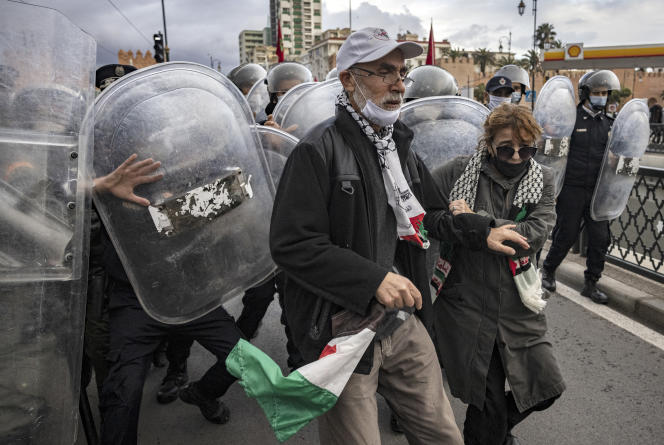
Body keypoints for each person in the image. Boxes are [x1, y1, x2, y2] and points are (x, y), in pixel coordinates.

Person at [270, 27, 528, 445]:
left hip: (403, 321)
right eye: (383, 72)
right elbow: (291, 245)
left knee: (443, 434)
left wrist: (482, 230)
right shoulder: (316, 150)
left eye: (401, 73)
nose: (397, 84)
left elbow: (432, 215)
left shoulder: (398, 146)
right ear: (349, 79)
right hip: (344, 331)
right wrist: (373, 280)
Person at [430, 103, 566, 445]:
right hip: (467, 303)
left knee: (546, 388)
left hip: (518, 303)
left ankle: (498, 429)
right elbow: (424, 215)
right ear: (489, 144)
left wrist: (476, 222)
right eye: (507, 148)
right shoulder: (457, 172)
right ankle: (492, 432)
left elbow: (534, 234)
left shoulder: (544, 179)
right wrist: (456, 224)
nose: (517, 156)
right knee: (485, 399)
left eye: (527, 148)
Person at [541, 70, 620, 304]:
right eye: (597, 93)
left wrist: (619, 163)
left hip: (598, 191)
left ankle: (591, 283)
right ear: (586, 93)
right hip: (573, 188)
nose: (601, 97)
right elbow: (553, 153)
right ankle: (548, 271)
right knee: (566, 234)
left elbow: (617, 157)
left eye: (605, 93)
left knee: (600, 238)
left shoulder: (609, 124)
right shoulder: (570, 119)